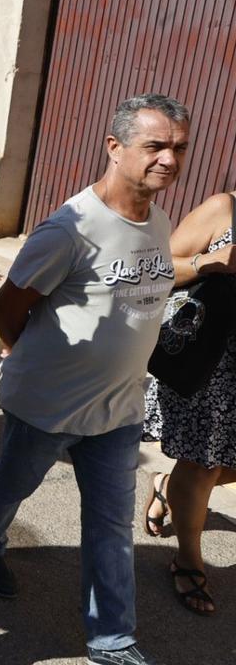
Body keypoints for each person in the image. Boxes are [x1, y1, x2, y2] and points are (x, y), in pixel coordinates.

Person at [0, 94, 189, 665]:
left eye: (178, 148)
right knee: (13, 483)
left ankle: (112, 640)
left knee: (112, 526)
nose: (169, 158)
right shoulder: (70, 229)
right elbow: (9, 308)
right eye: (155, 146)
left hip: (118, 410)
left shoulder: (159, 219)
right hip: (48, 405)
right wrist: (31, 357)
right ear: (114, 148)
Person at [143, 190, 236, 616]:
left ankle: (168, 488)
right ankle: (187, 559)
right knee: (204, 465)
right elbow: (155, 268)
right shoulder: (224, 209)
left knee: (223, 466)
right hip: (212, 366)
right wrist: (210, 263)